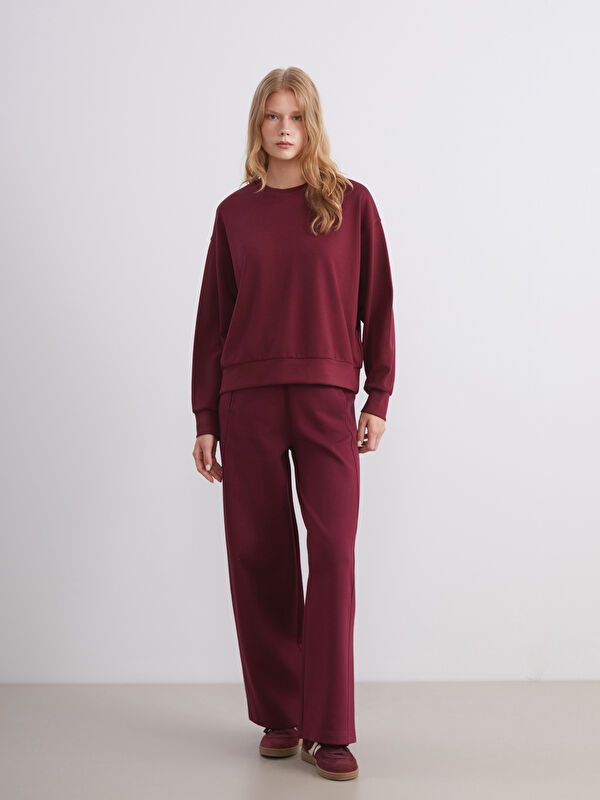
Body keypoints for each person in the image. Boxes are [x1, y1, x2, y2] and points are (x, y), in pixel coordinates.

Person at [191, 66, 395, 782]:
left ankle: (331, 727)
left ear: (313, 123)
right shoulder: (234, 214)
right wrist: (205, 415)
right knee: (260, 555)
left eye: (297, 117)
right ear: (259, 125)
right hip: (246, 399)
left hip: (326, 397)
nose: (285, 129)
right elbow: (214, 320)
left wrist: (378, 397)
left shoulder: (350, 203)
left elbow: (379, 304)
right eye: (273, 117)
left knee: (333, 552)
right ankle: (282, 713)